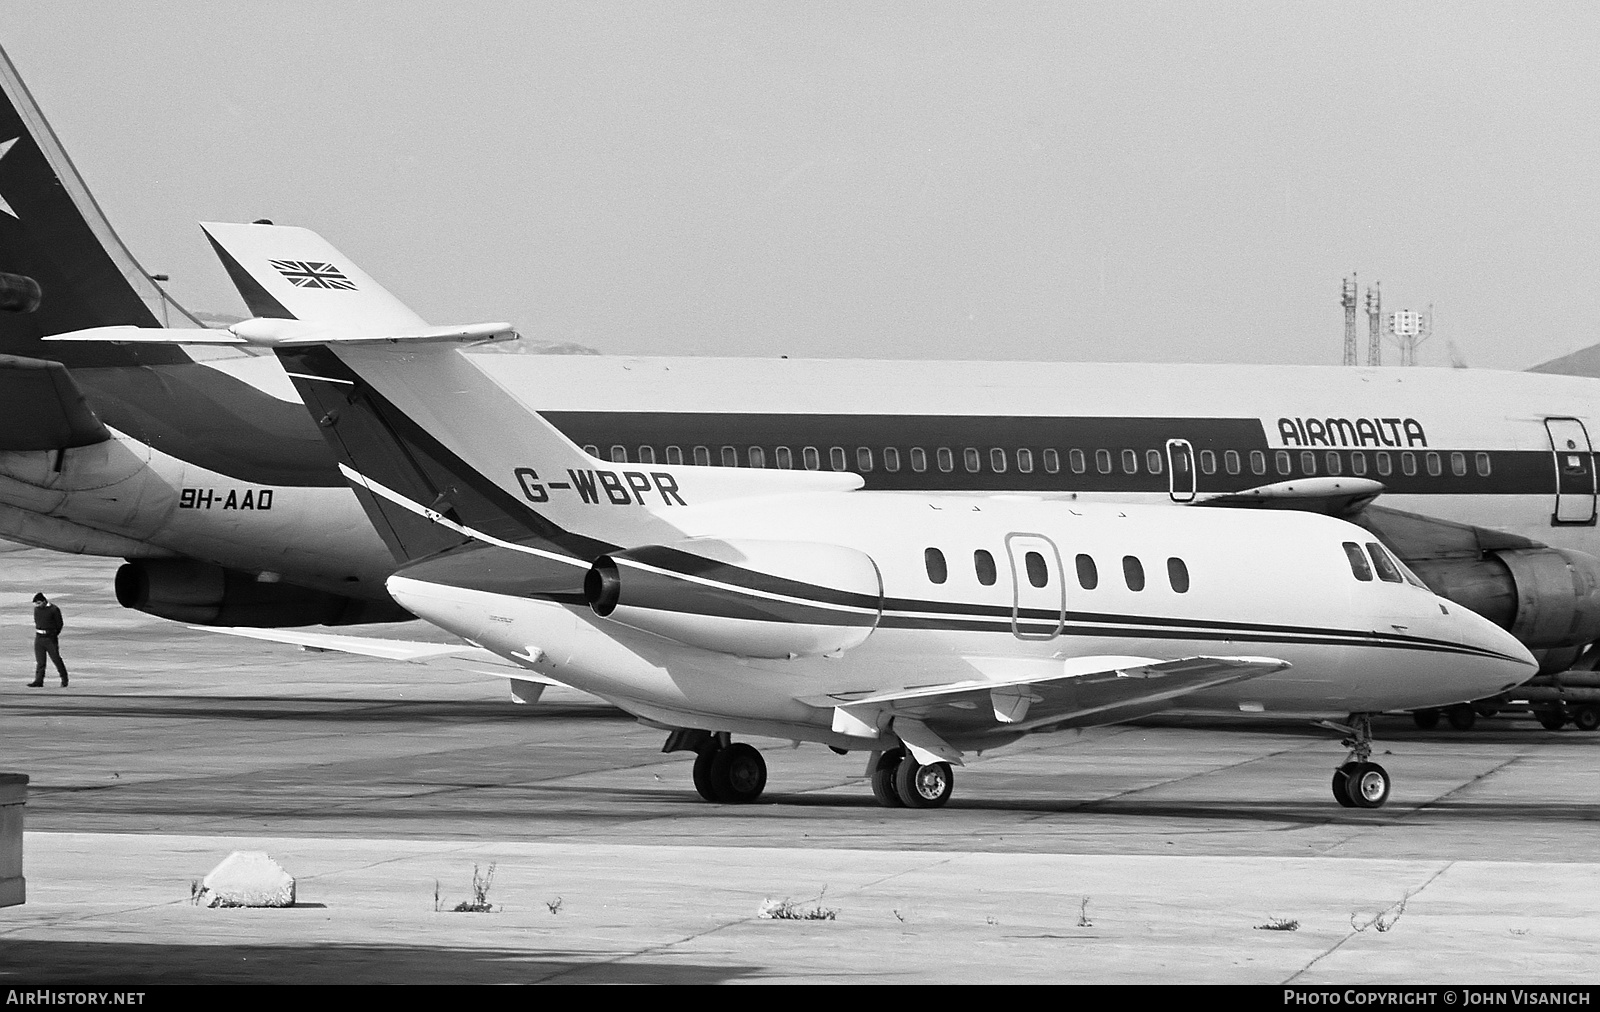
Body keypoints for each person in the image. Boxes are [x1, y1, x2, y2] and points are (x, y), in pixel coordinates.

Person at [29, 592, 67, 688]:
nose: (37, 605)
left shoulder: (54, 609)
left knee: (56, 659)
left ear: (44, 601)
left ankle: (64, 678)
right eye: (36, 604)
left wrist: (53, 634)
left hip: (50, 638)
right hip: (39, 637)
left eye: (38, 603)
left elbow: (59, 624)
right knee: (40, 661)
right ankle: (38, 680)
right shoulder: (37, 610)